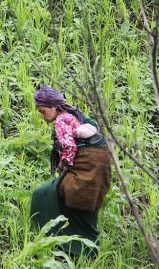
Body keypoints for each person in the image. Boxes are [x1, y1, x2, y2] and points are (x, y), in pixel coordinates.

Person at [29, 84, 111, 257]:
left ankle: (57, 242)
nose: (42, 117)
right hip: (101, 174)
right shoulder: (77, 117)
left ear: (54, 106)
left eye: (43, 112)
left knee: (42, 195)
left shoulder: (60, 122)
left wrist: (62, 167)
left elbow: (69, 148)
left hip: (86, 173)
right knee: (83, 212)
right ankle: (81, 249)